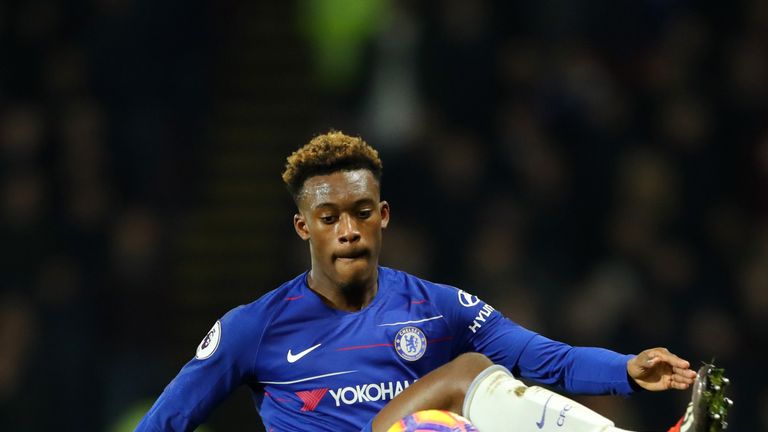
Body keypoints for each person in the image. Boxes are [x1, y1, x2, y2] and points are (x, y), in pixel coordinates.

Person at [136, 131, 725, 432]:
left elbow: (548, 361)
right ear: (302, 228)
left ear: (383, 216)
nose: (348, 230)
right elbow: (164, 424)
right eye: (328, 218)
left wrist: (626, 369)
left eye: (361, 212)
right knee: (463, 375)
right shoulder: (252, 328)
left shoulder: (436, 306)